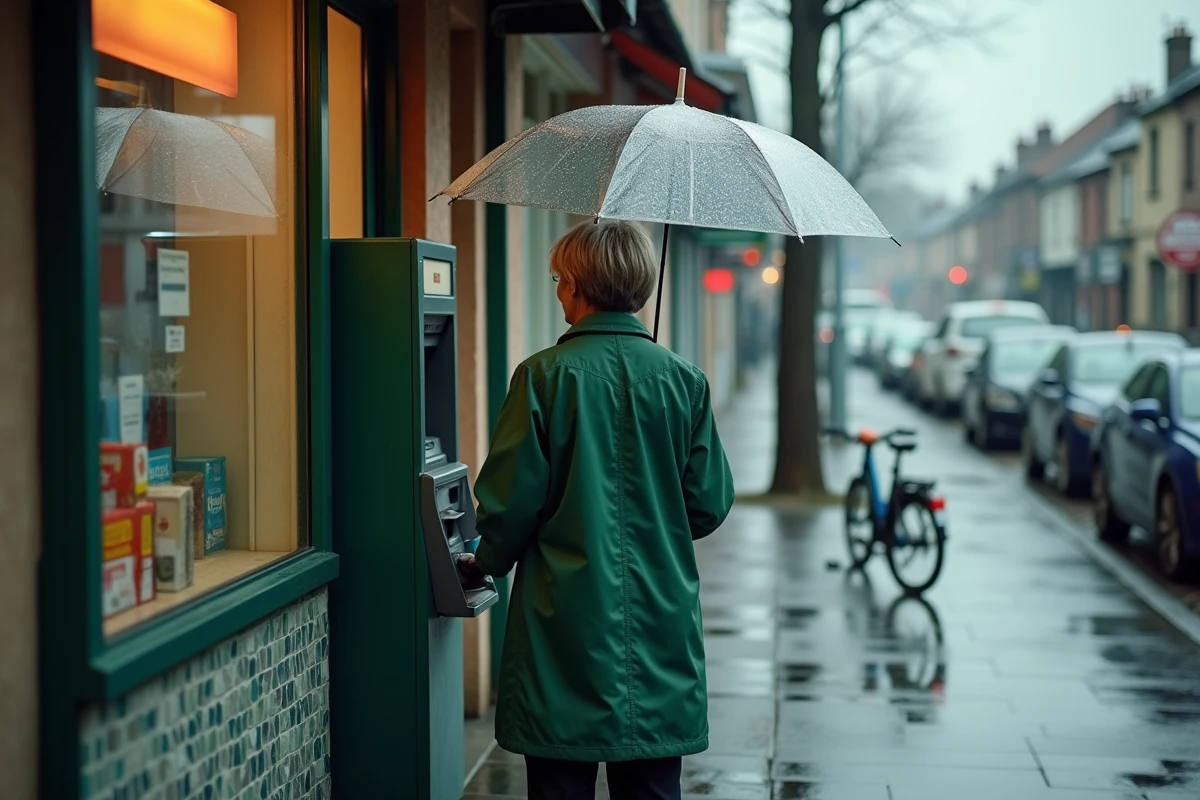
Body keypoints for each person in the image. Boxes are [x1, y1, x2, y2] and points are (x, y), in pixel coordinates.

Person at [457, 219, 735, 800]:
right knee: (654, 783)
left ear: (580, 284)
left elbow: (510, 508)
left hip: (563, 628)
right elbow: (707, 505)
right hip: (661, 624)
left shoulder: (543, 377)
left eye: (560, 279)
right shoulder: (684, 381)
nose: (558, 291)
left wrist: (482, 562)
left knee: (559, 781)